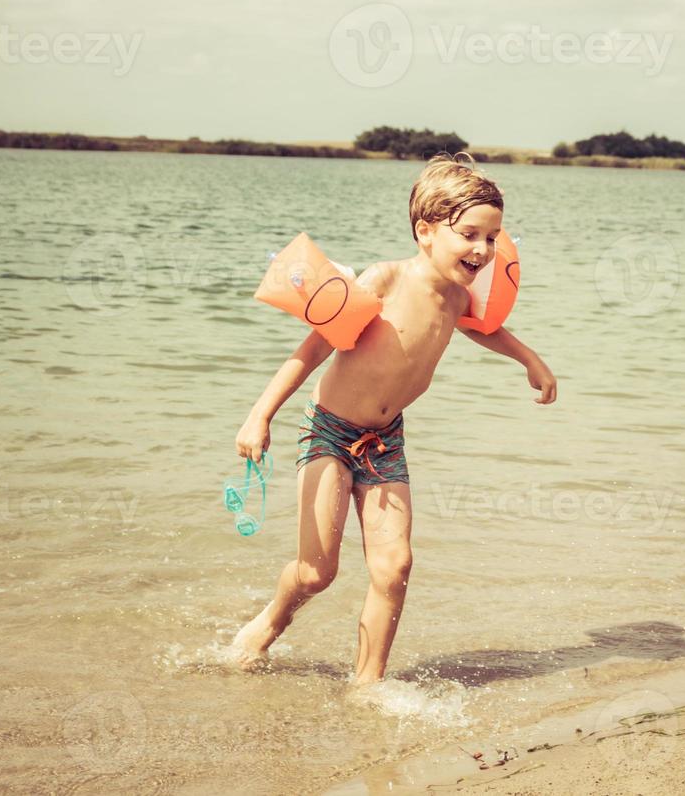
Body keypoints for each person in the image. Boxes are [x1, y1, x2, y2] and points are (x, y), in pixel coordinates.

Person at [231, 152, 558, 686]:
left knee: (395, 567)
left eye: (492, 238)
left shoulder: (457, 297)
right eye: (470, 234)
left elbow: (479, 328)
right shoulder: (385, 279)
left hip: (385, 442)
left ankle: (368, 686)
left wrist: (529, 358)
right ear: (425, 231)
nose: (483, 249)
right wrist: (259, 417)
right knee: (318, 572)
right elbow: (314, 348)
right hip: (330, 434)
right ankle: (271, 621)